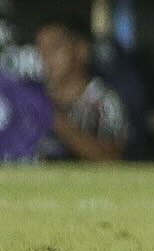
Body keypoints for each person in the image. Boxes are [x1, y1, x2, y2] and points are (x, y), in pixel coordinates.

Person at [35, 19, 129, 162]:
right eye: (41, 50)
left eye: (55, 48)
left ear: (81, 50)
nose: (46, 58)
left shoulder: (104, 100)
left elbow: (111, 160)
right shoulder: (33, 97)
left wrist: (56, 121)